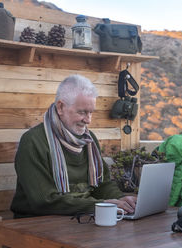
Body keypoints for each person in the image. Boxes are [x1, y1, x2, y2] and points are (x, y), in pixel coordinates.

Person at [10, 74, 136, 219]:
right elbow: (44, 201)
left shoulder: (89, 140)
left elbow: (102, 185)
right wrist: (100, 205)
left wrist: (121, 200)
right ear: (61, 107)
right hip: (37, 221)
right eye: (82, 112)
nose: (88, 120)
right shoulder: (33, 141)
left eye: (91, 113)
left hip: (82, 217)